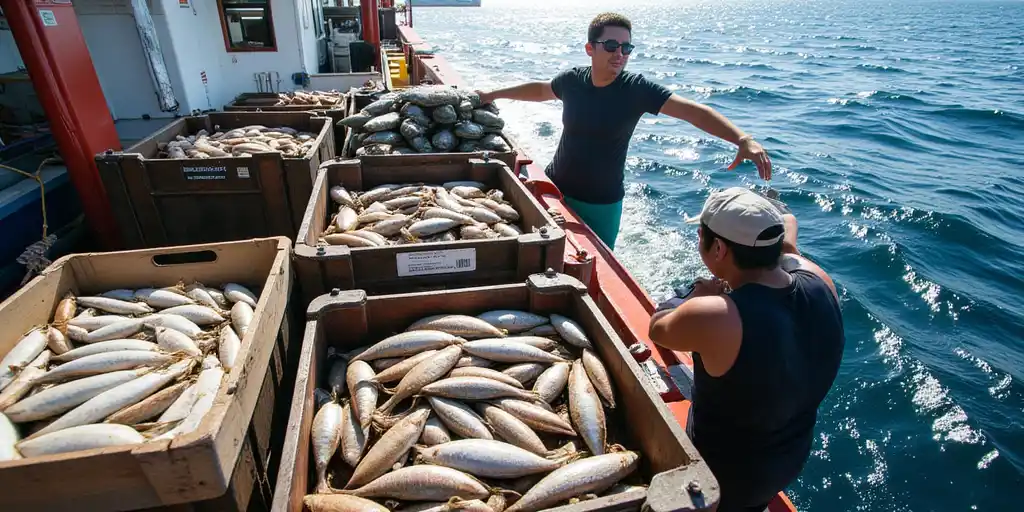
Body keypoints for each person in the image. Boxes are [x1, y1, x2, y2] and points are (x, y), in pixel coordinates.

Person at [476, 12, 772, 250]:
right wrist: (492, 94)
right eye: (612, 46)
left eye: (627, 47)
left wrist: (741, 138)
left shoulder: (637, 90)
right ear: (590, 48)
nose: (620, 53)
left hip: (602, 203)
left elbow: (693, 111)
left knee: (596, 268)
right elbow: (541, 90)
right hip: (557, 188)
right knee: (543, 254)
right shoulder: (572, 81)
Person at [647, 187, 845, 511]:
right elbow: (790, 245)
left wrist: (697, 293)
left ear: (720, 248)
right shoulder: (821, 282)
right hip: (786, 463)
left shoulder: (720, 317)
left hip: (719, 480)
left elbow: (659, 327)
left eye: (701, 235)